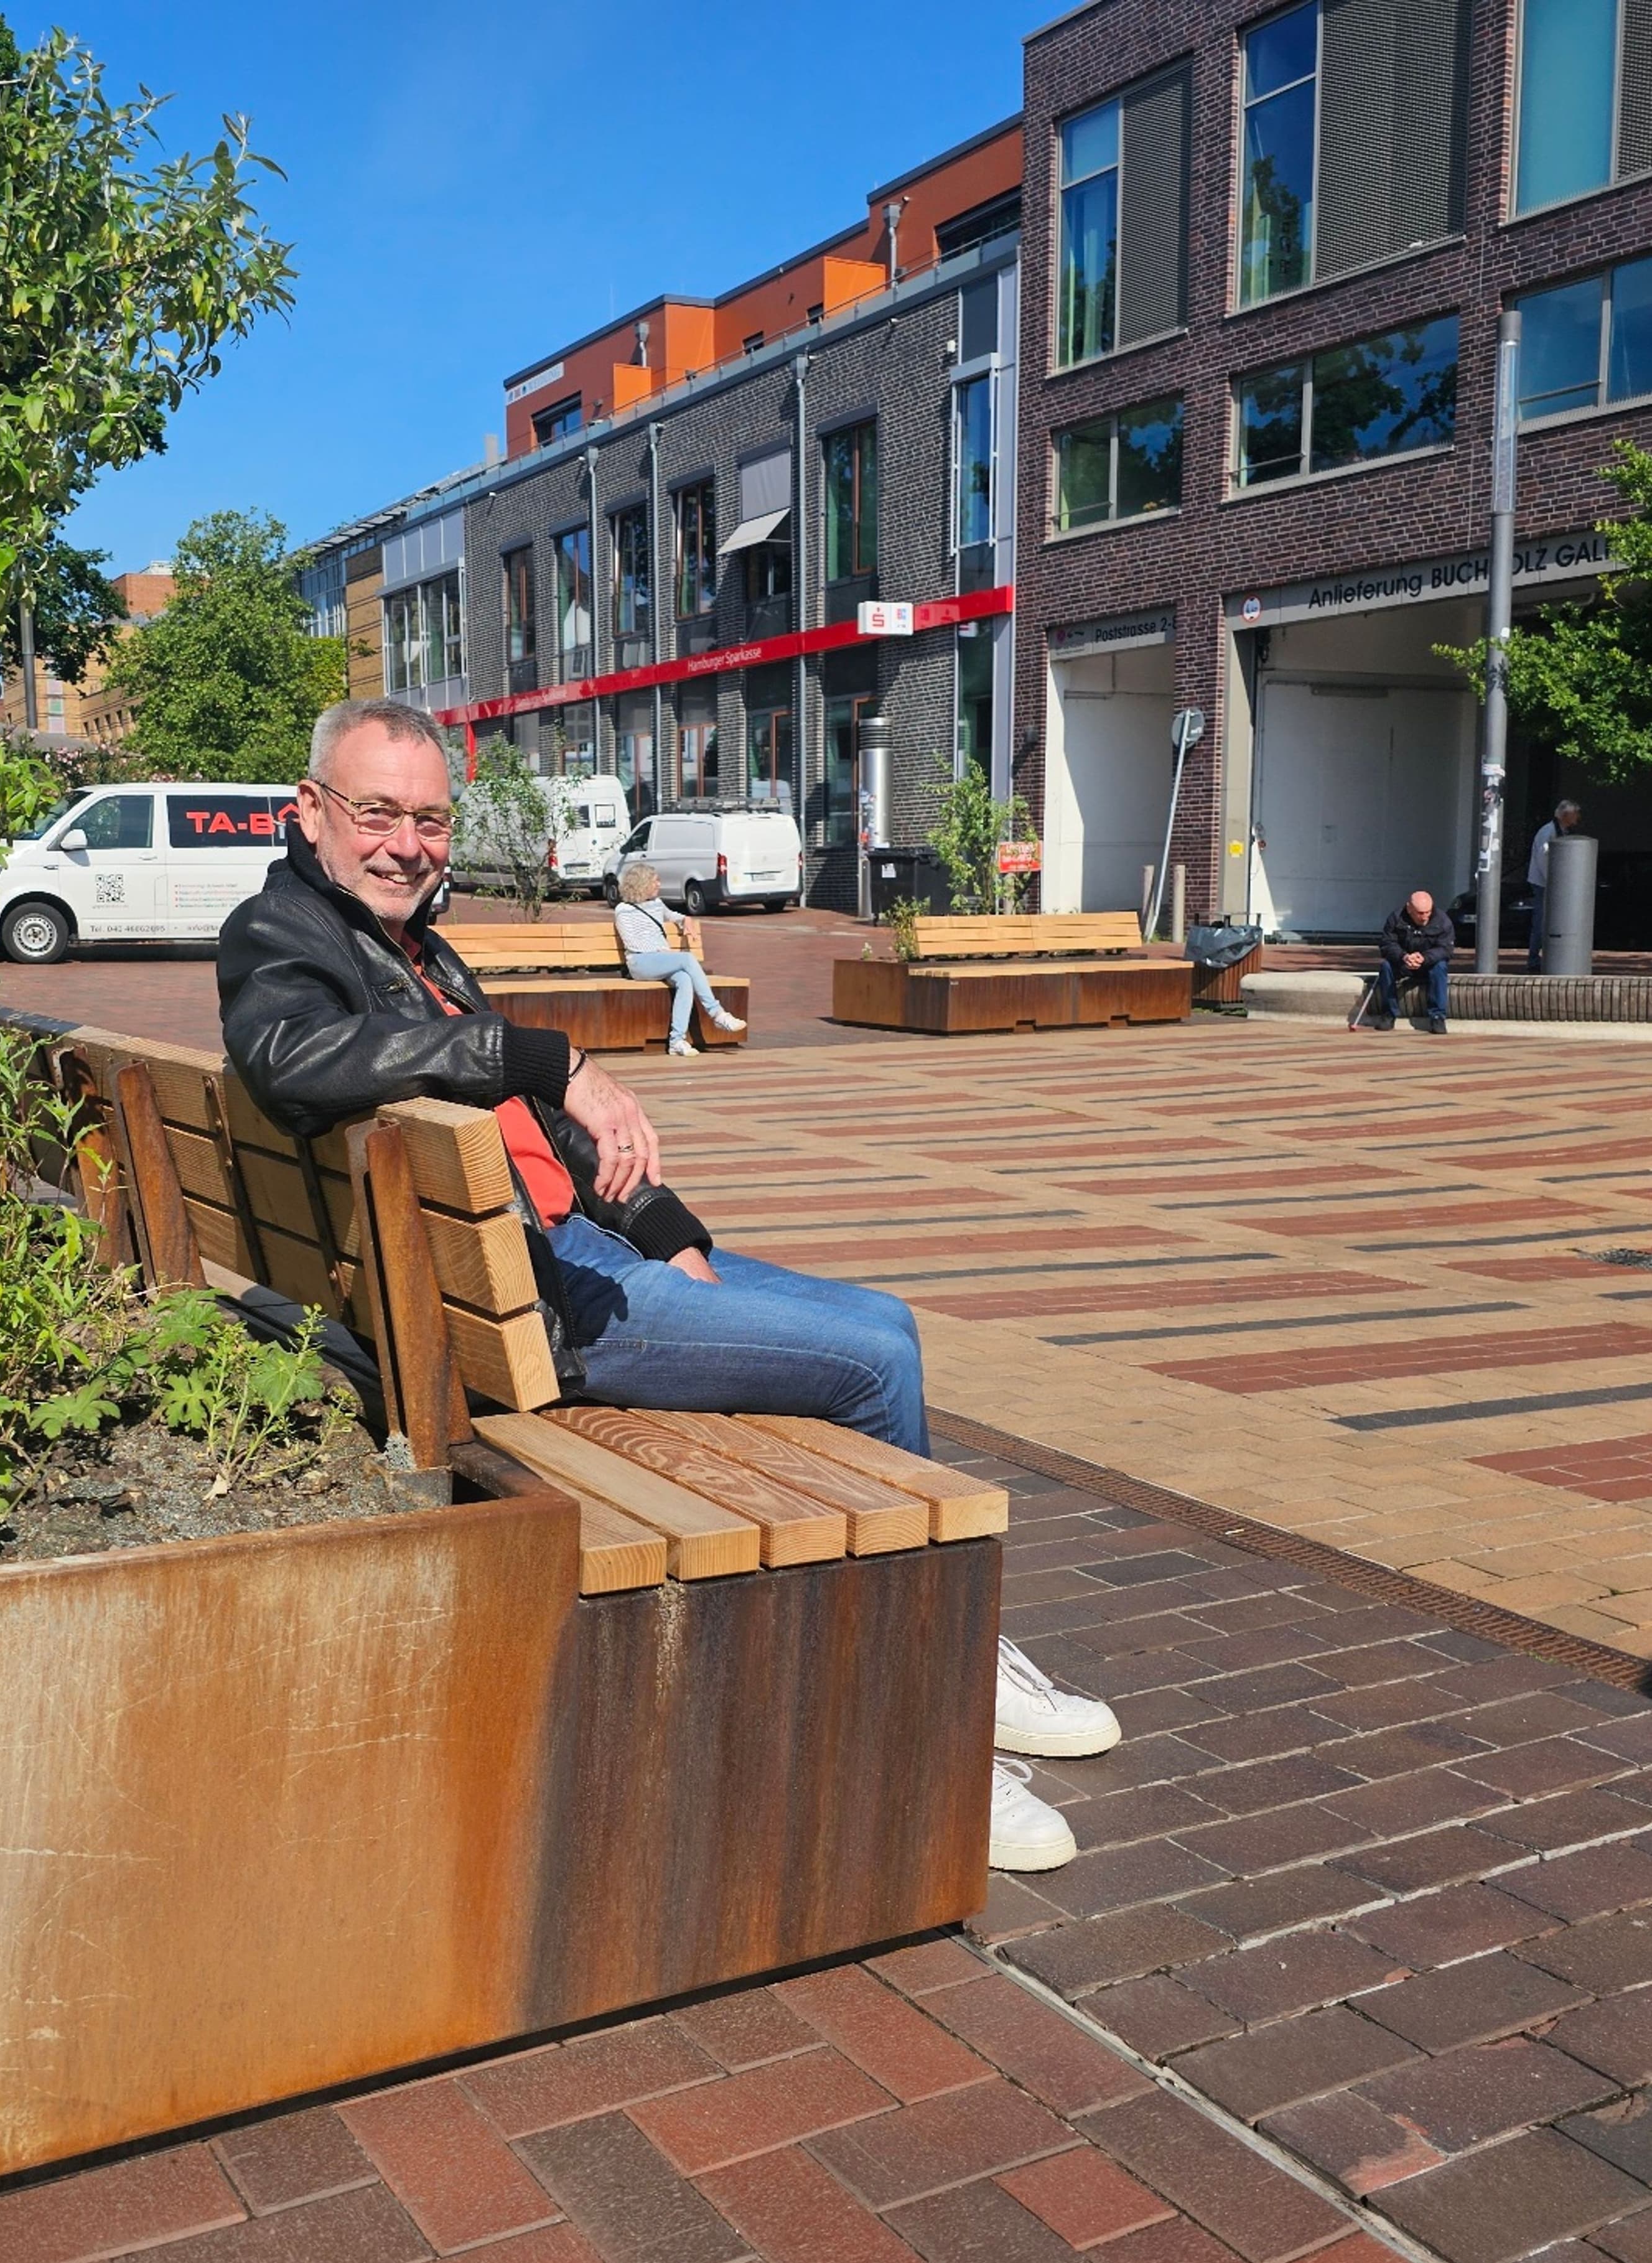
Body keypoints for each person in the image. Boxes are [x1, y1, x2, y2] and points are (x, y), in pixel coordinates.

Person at [218, 699, 1118, 1872]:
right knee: (877, 1353)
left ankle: (958, 1650)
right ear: (311, 812)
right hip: (521, 1313)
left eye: (430, 818)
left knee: (874, 1319)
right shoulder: (280, 932)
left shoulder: (407, 944)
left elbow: (533, 1133)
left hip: (547, 1260)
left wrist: (659, 1218)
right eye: (376, 811)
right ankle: (930, 1711)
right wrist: (545, 1054)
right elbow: (294, 1063)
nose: (407, 843)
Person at [613, 862, 745, 1056]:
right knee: (687, 959)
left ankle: (677, 1041)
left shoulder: (657, 904)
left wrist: (686, 920)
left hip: (660, 961)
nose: (659, 884)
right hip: (640, 963)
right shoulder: (623, 910)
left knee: (684, 979)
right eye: (655, 881)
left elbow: (674, 916)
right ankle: (717, 1014)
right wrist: (664, 954)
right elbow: (632, 942)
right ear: (642, 883)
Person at [1371, 890, 1453, 1034]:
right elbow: (1387, 944)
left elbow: (1446, 949)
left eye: (1428, 912)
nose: (1425, 917)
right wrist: (1404, 957)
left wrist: (1425, 958)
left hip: (1429, 963)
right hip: (1404, 962)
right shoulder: (1396, 918)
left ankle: (1437, 1017)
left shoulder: (1443, 920)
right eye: (1420, 913)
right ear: (1409, 909)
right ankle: (1389, 1014)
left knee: (1441, 967)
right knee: (1386, 967)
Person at [1526, 800, 1581, 974]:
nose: (1578, 818)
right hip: (1545, 885)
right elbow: (1544, 860)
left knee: (1548, 922)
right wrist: (1554, 883)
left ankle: (1544, 957)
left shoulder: (1561, 831)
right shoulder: (1548, 832)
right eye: (1575, 814)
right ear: (1566, 816)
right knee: (1541, 922)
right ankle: (1534, 959)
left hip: (1552, 884)